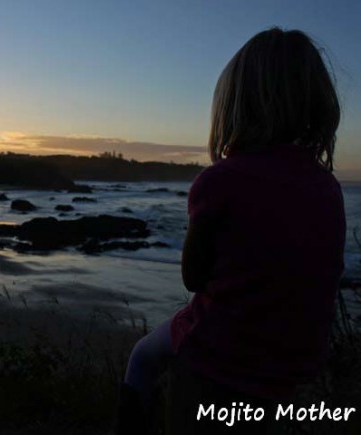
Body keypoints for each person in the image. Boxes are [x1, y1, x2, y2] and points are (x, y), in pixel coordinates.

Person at [116, 27, 346, 434]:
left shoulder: (219, 181)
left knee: (142, 356)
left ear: (235, 106)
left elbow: (193, 277)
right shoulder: (327, 188)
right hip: (293, 362)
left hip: (219, 351)